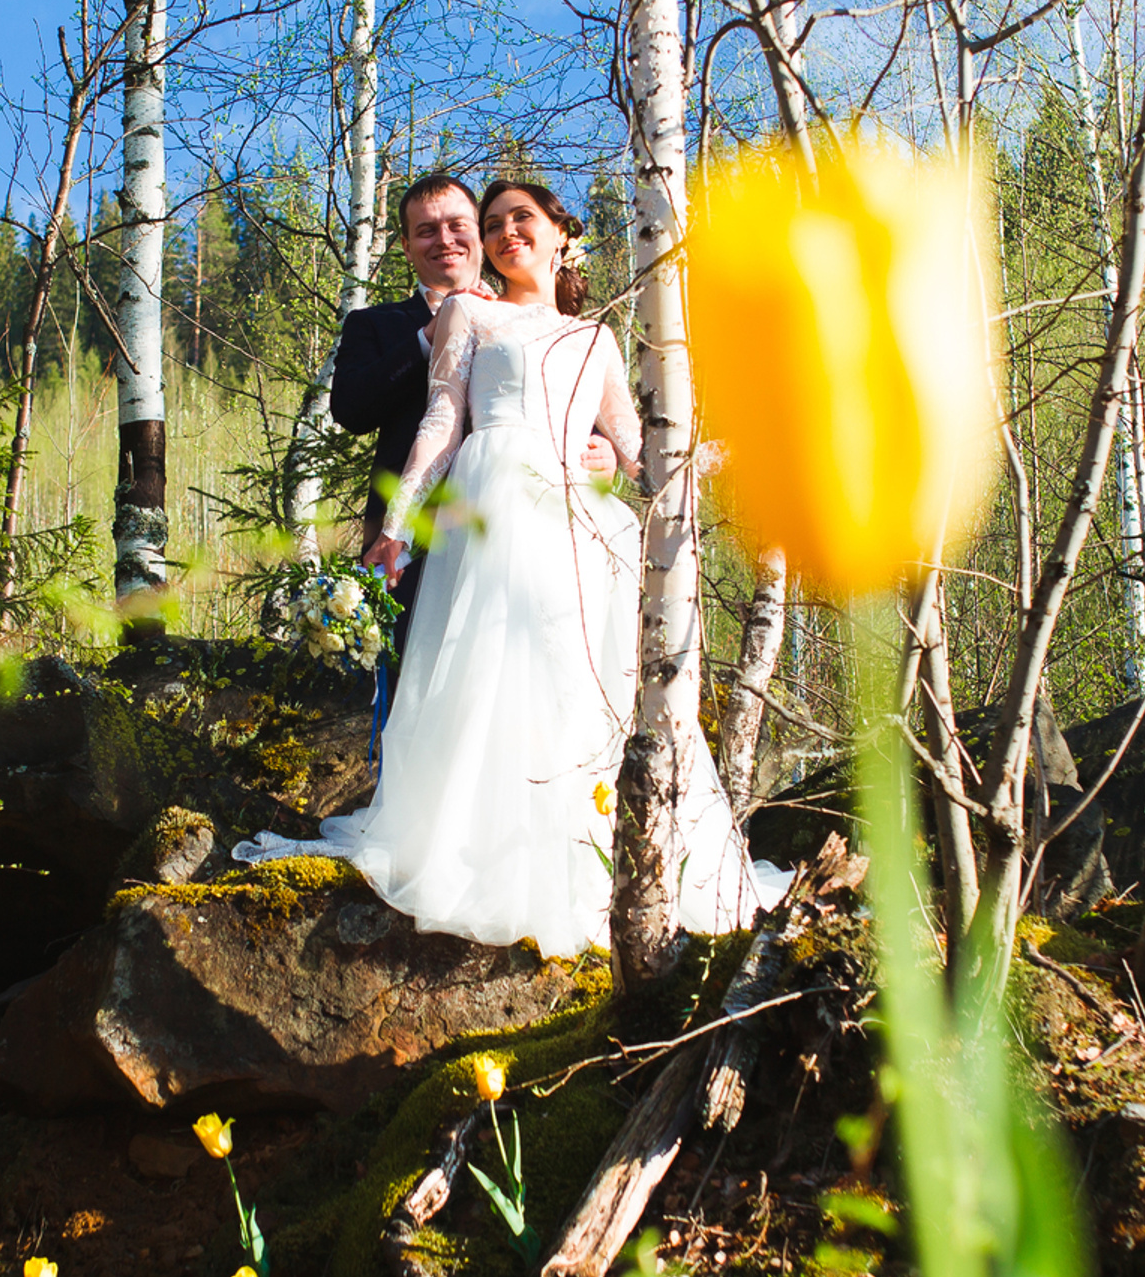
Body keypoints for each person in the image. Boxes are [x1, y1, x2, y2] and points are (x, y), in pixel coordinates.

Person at [240, 178, 781, 958]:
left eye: (517, 218)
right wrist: (395, 527)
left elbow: (636, 454)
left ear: (562, 232)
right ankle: (481, 851)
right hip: (486, 511)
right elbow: (440, 420)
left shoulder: (597, 339)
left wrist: (725, 452)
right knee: (483, 679)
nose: (502, 234)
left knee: (572, 685)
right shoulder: (470, 313)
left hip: (571, 525)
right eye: (492, 224)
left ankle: (583, 856)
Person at [329, 173, 611, 710]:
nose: (444, 240)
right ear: (408, 246)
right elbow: (351, 408)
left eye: (458, 225)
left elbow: (569, 406)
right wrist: (426, 338)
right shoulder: (377, 324)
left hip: (527, 530)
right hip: (416, 537)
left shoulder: (546, 322)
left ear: (480, 238)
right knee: (418, 695)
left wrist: (604, 452)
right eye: (425, 231)